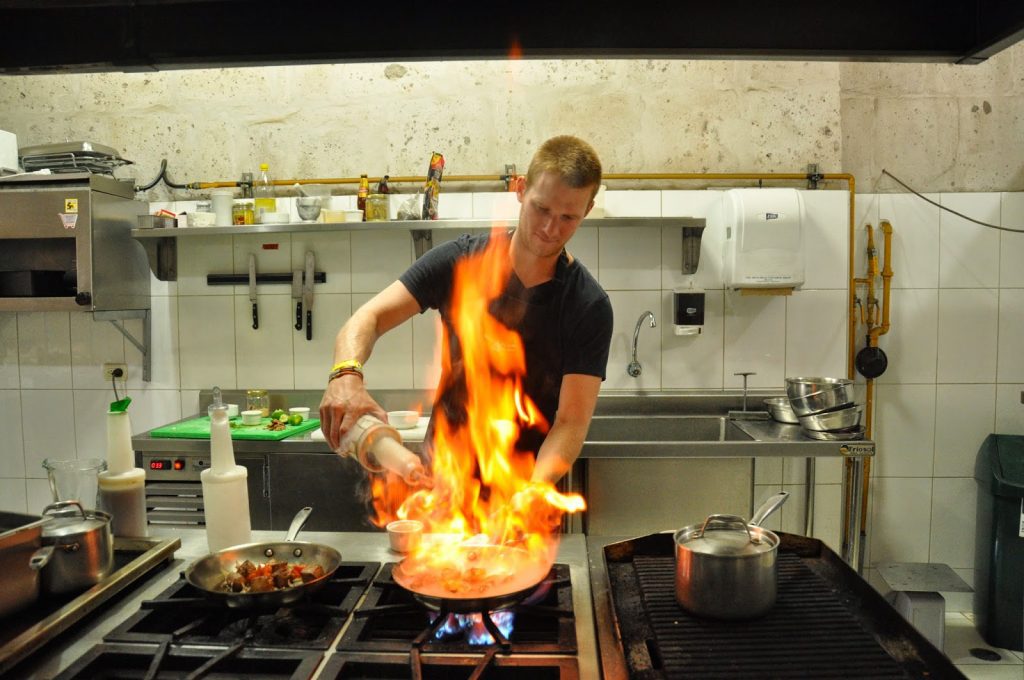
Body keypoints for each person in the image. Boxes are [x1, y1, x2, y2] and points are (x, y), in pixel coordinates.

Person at [319, 135, 613, 485]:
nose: (550, 229)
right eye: (542, 208)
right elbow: (369, 318)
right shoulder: (461, 261)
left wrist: (529, 498)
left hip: (522, 497)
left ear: (588, 211)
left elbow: (570, 423)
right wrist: (346, 376)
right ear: (520, 189)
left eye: (568, 217)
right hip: (441, 487)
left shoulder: (587, 305)